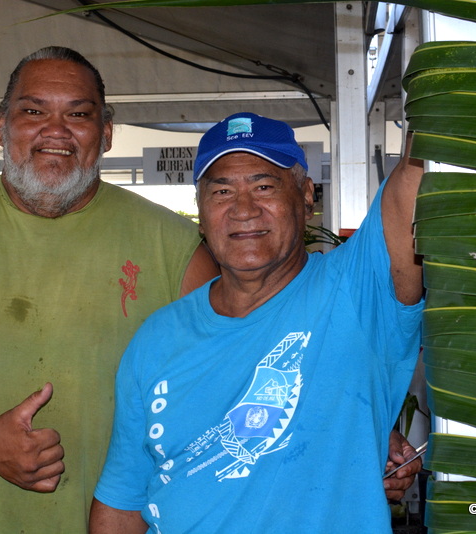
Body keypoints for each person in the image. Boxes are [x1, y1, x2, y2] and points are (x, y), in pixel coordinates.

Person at [0, 48, 419, 533]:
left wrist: (363, 417)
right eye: (32, 111)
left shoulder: (172, 241)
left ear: (105, 134)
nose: (56, 130)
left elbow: (258, 336)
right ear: (1, 127)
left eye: (78, 113)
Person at [90, 113, 425, 533]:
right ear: (200, 209)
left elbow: (413, 178)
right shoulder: (156, 337)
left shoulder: (358, 293)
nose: (243, 209)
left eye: (264, 186)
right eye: (222, 191)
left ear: (305, 195)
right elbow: (122, 500)